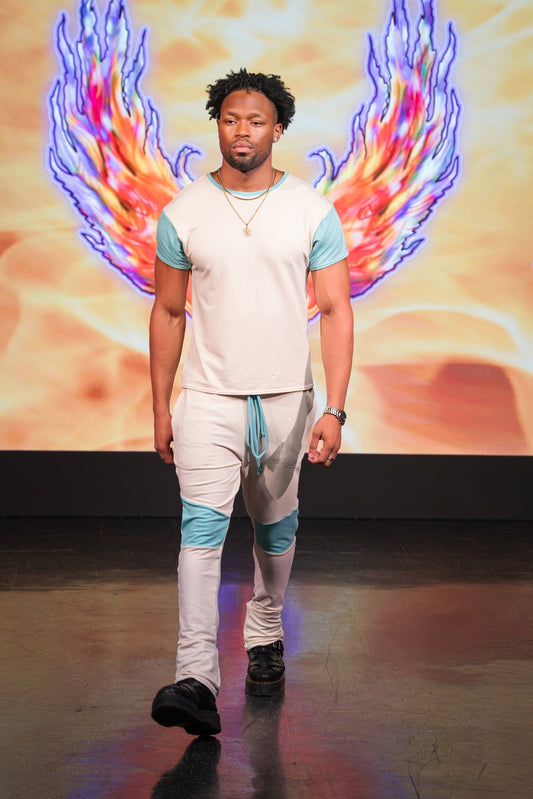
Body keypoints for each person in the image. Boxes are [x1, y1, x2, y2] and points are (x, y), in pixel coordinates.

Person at [149, 68, 354, 737]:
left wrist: (335, 408)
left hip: (287, 399)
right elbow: (169, 311)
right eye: (231, 119)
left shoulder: (310, 210)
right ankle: (195, 678)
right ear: (217, 123)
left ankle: (264, 628)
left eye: (256, 121)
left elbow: (335, 309)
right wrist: (161, 407)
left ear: (278, 129)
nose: (242, 131)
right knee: (199, 534)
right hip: (208, 399)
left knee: (275, 531)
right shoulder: (183, 212)